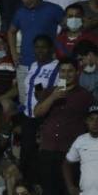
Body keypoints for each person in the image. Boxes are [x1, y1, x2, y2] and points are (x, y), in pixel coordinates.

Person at [33, 58, 94, 195]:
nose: (66, 74)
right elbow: (37, 112)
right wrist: (53, 97)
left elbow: (95, 119)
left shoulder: (84, 95)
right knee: (49, 193)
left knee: (70, 193)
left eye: (70, 71)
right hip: (48, 149)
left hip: (71, 151)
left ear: (77, 72)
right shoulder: (49, 92)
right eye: (63, 71)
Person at [8, 0, 64, 103]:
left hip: (48, 64)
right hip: (25, 64)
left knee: (47, 99)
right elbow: (11, 32)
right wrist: (14, 54)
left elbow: (67, 30)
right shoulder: (20, 12)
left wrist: (58, 50)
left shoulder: (53, 9)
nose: (27, 0)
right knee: (25, 100)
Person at [20, 35, 58, 185]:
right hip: (27, 116)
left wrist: (47, 93)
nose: (40, 50)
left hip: (45, 117)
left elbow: (63, 88)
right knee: (26, 155)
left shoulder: (58, 67)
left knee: (41, 156)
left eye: (43, 47)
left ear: (51, 49)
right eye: (37, 47)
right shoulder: (33, 65)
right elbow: (31, 89)